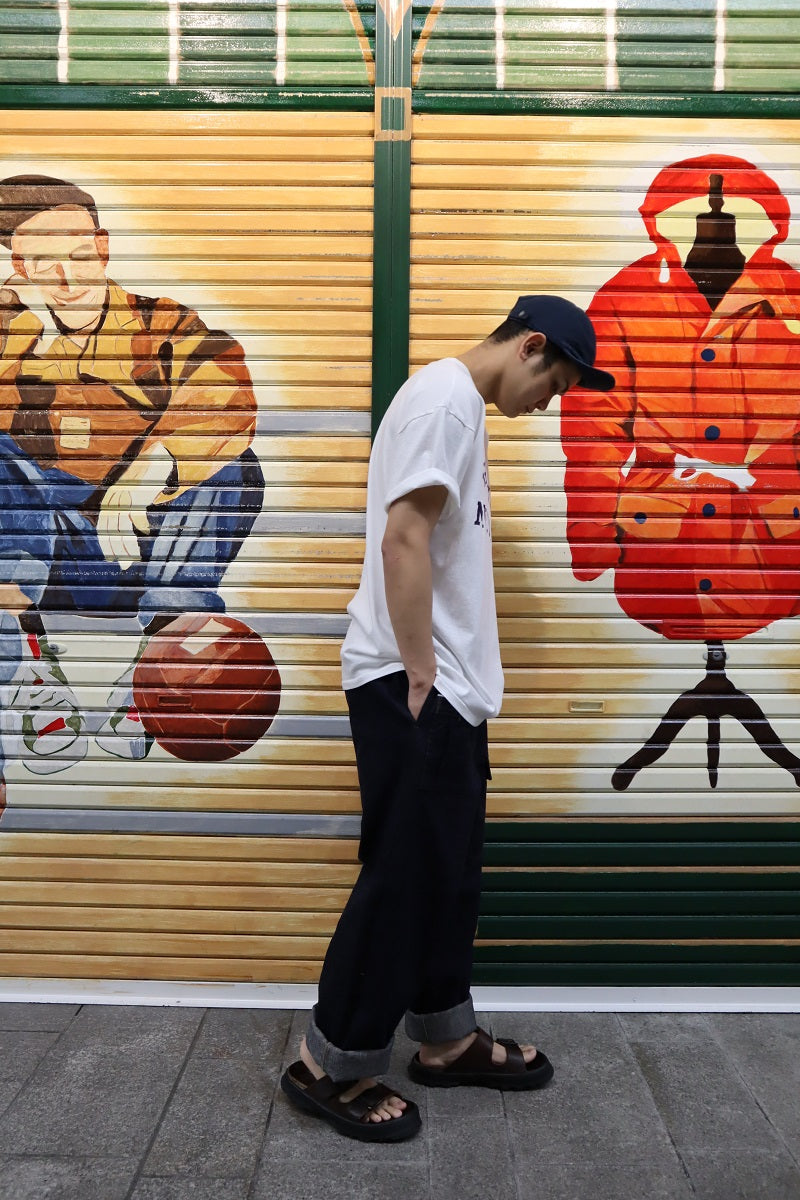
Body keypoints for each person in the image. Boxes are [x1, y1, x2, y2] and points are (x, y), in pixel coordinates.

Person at [281, 295, 615, 1141]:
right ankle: (331, 1064)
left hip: (444, 685)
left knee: (448, 869)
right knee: (404, 875)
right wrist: (423, 673)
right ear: (530, 345)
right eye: (558, 383)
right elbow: (403, 540)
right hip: (413, 679)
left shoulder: (456, 405)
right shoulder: (443, 404)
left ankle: (445, 1039)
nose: (550, 404)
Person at [0, 174, 263, 805]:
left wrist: (157, 463)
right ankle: (24, 659)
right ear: (19, 266)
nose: (67, 276)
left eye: (79, 254)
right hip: (41, 555)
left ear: (105, 246)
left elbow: (225, 391)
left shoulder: (164, 325)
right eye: (44, 260)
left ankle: (163, 664)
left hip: (147, 552)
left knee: (235, 468)